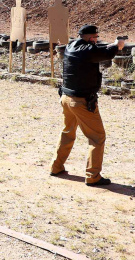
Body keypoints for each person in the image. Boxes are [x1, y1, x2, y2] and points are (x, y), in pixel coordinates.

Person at [49, 25, 125, 187]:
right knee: (97, 137)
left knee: (67, 133)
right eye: (95, 37)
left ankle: (56, 167)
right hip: (81, 102)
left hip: (66, 98)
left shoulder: (72, 46)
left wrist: (111, 44)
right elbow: (104, 53)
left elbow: (96, 49)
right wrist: (118, 45)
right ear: (90, 38)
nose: (96, 40)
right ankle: (93, 176)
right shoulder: (88, 50)